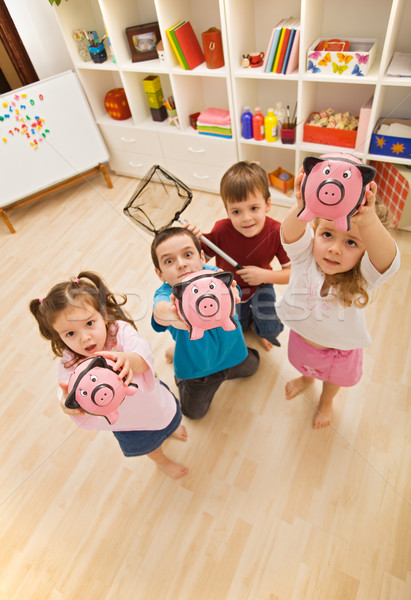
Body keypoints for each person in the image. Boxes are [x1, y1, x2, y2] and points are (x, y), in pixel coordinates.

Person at [29, 271, 188, 479]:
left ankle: (170, 428)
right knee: (150, 445)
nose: (85, 338)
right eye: (70, 333)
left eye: (89, 323)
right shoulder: (71, 362)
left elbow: (143, 356)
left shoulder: (119, 331)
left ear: (103, 315)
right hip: (127, 423)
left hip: (151, 400)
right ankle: (161, 461)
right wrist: (67, 404)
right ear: (59, 337)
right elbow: (66, 390)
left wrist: (127, 360)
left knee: (169, 417)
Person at [276, 168, 400, 429]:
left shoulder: (363, 275)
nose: (334, 248)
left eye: (351, 243)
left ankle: (325, 400)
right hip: (303, 338)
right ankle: (307, 379)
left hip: (339, 353)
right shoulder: (305, 256)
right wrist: (302, 205)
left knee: (332, 382)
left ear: (365, 252)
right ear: (315, 230)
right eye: (327, 235)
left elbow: (388, 260)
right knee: (304, 367)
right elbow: (288, 234)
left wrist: (367, 222)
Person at [151, 227, 260, 420]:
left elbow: (235, 293)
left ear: (201, 257)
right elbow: (159, 313)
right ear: (160, 274)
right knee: (193, 413)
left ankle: (176, 349)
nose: (182, 264)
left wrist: (233, 294)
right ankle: (178, 362)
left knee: (254, 366)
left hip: (234, 353)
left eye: (187, 254)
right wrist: (173, 312)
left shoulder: (215, 274)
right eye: (169, 261)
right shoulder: (165, 295)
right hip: (197, 371)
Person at [187, 161, 291, 351]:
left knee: (270, 328)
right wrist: (191, 242)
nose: (246, 218)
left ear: (267, 204)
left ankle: (260, 330)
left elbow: (291, 273)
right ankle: (249, 323)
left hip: (262, 284)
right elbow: (198, 263)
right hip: (228, 289)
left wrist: (263, 276)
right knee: (237, 326)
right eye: (236, 211)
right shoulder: (221, 229)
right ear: (227, 211)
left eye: (254, 208)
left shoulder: (277, 231)